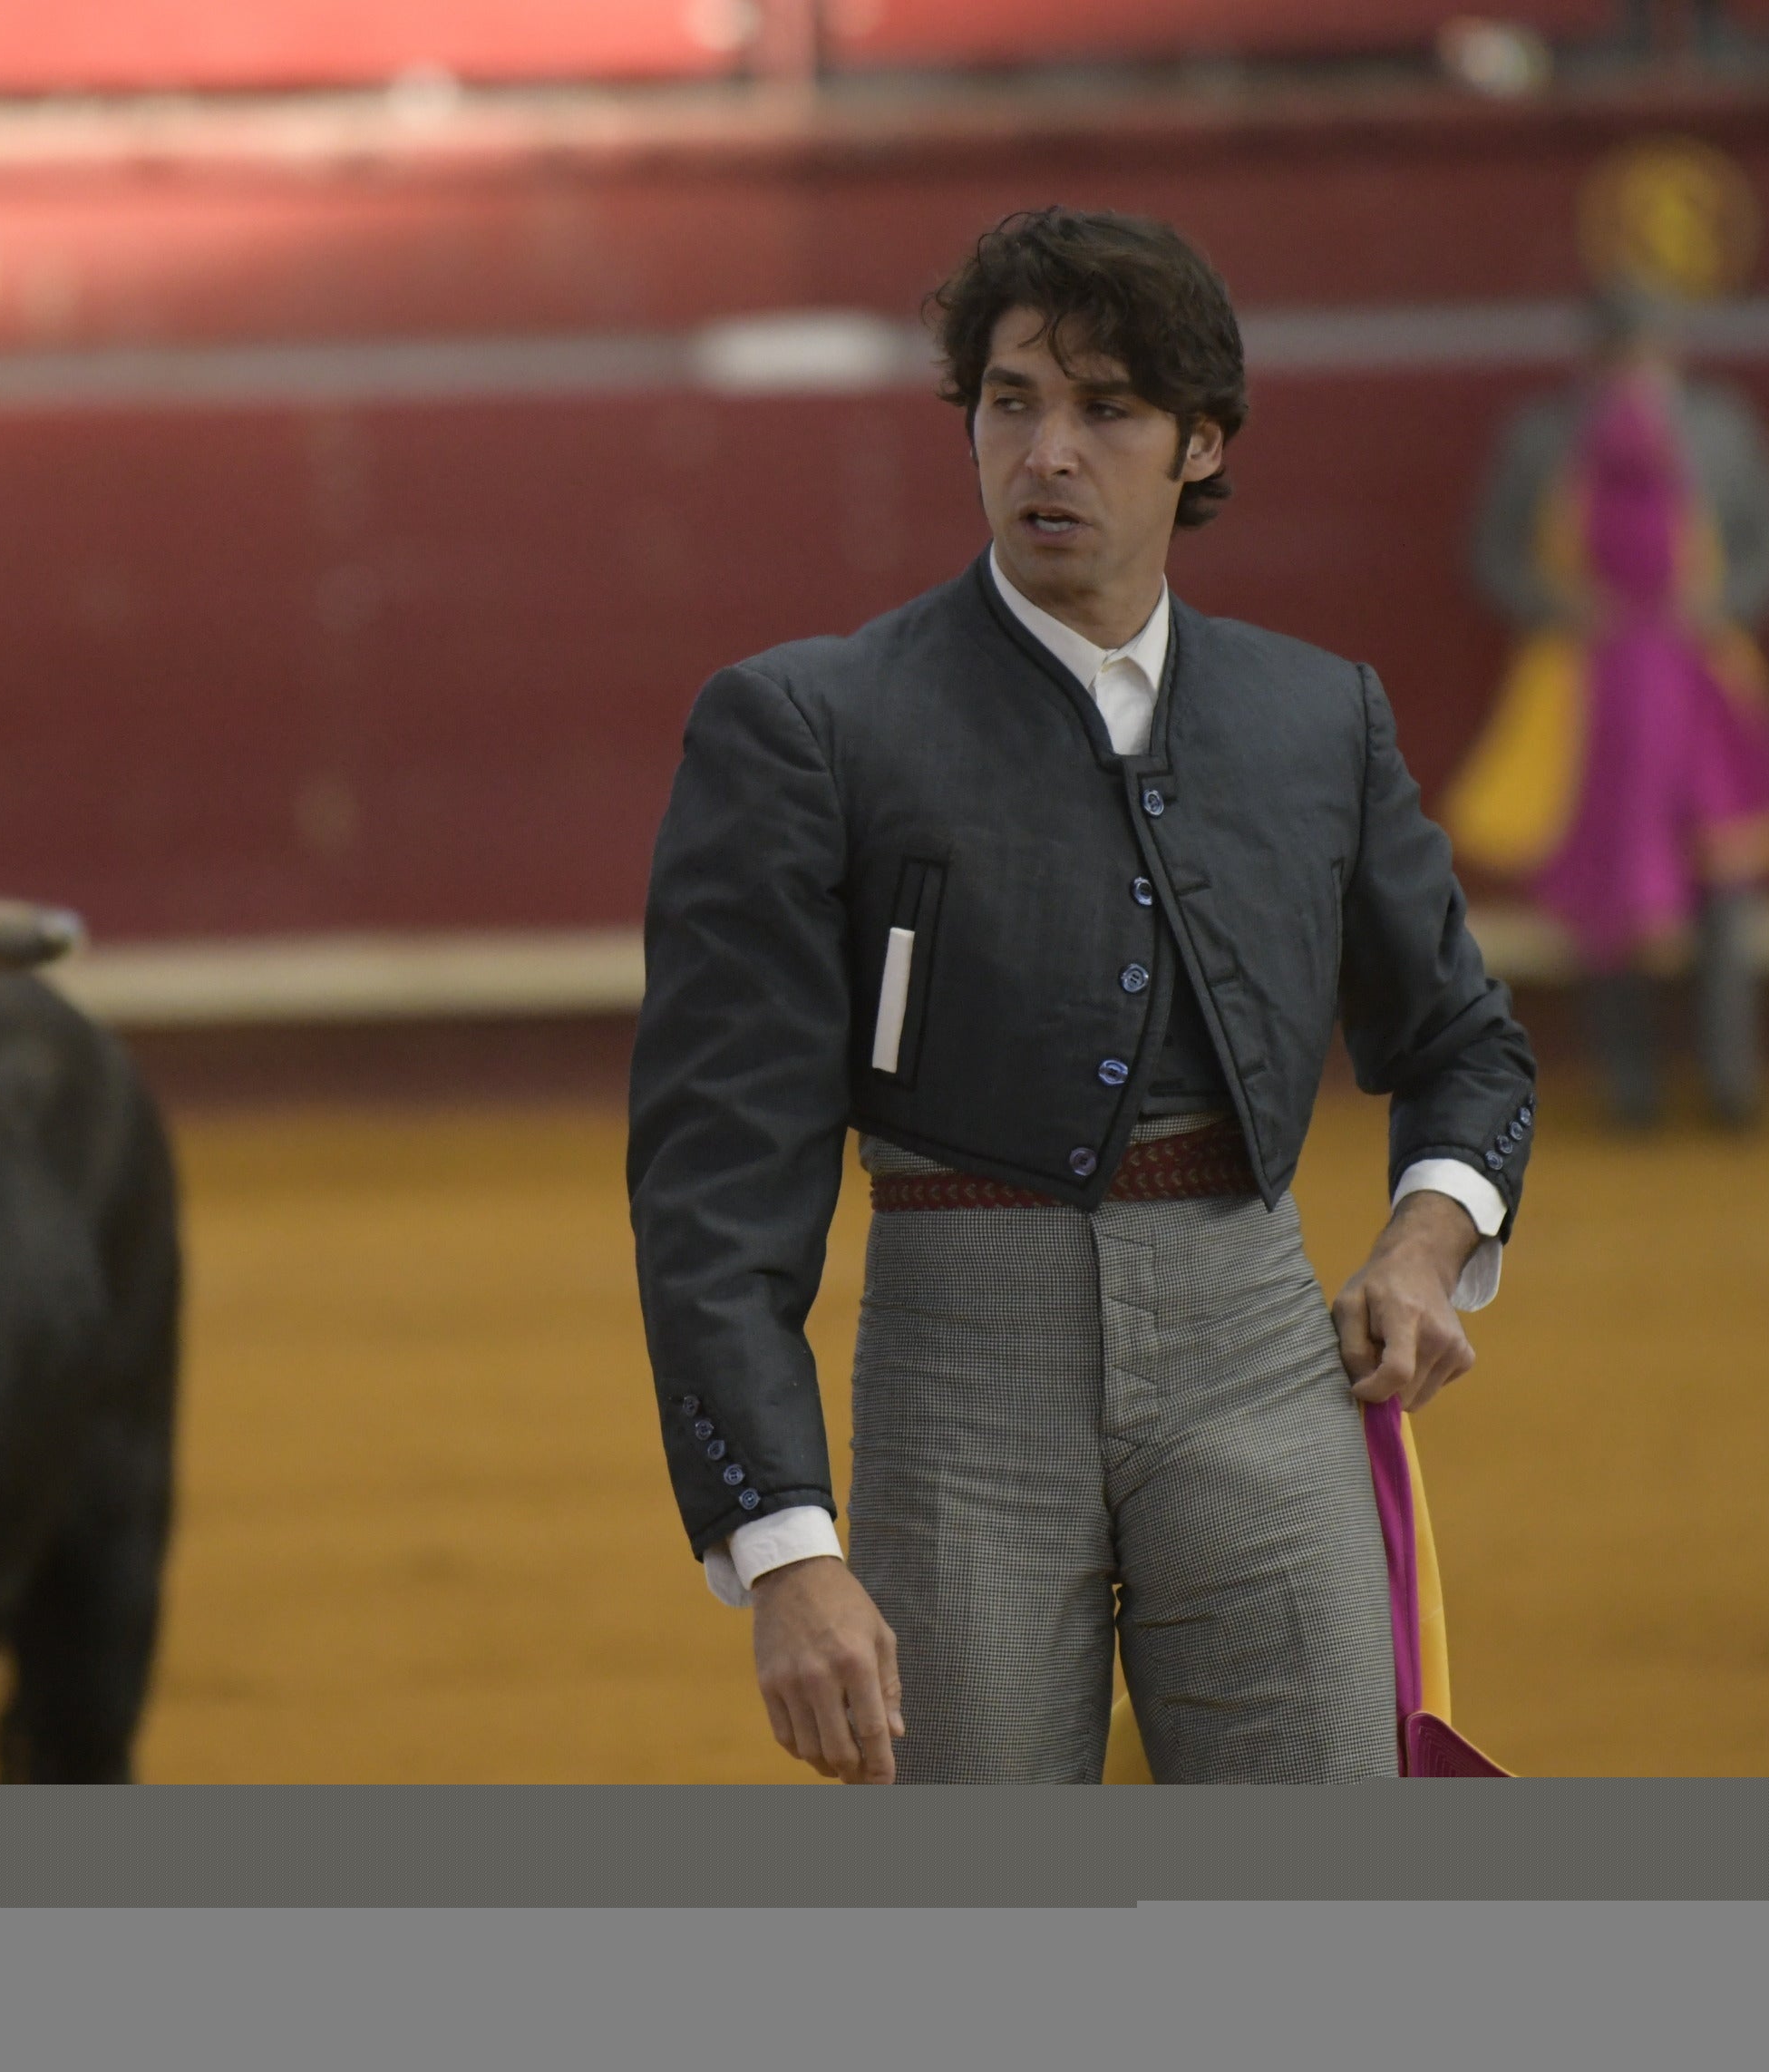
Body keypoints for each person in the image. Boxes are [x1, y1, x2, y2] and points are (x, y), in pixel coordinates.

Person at [625, 207, 1536, 1785]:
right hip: (961, 1370)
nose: (1048, 451)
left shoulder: (1320, 720)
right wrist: (784, 1549)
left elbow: (1466, 1046)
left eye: (1105, 409)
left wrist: (1425, 1240)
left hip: (1259, 1354)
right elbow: (716, 1179)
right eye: (1009, 402)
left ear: (1199, 444)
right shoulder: (808, 727)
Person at [1445, 287, 1769, 1129]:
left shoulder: (1720, 425)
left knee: (1724, 871)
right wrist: (1559, 607)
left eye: (1647, 347)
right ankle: (1631, 1087)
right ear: (1590, 353)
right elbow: (1492, 554)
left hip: (1705, 672)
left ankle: (1730, 1080)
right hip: (1589, 685)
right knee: (1605, 878)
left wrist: (1722, 601)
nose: (1633, 364)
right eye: (1619, 349)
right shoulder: (1543, 433)